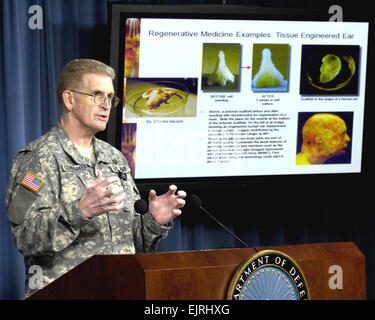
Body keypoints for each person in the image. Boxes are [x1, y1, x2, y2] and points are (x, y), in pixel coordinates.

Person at [5, 59, 186, 298]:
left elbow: (132, 242)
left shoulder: (114, 159)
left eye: (110, 97)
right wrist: (79, 211)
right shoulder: (37, 159)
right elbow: (25, 237)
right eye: (96, 95)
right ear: (69, 99)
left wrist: (153, 221)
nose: (106, 105)